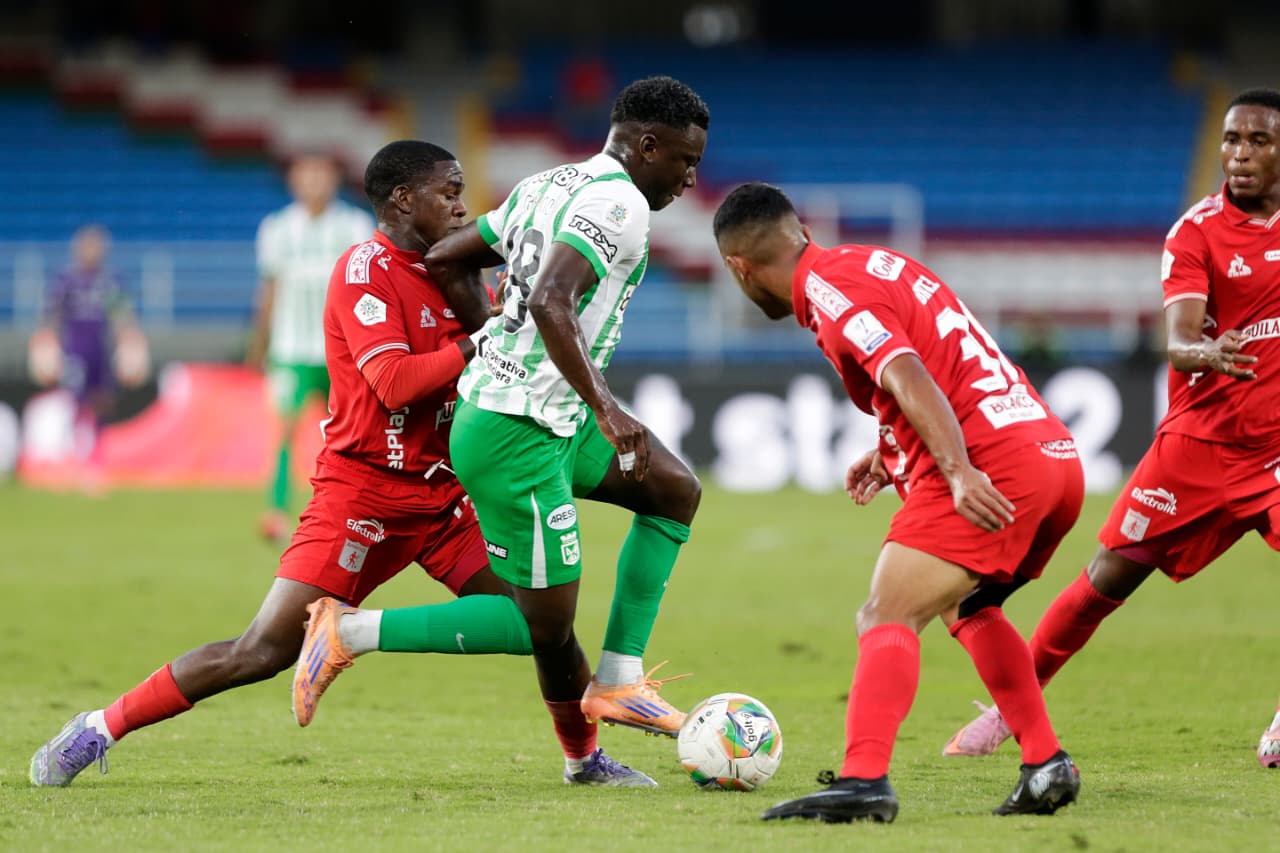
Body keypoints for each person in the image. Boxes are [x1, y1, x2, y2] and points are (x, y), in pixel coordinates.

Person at [29, 141, 648, 790]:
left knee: (543, 622)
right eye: (449, 192)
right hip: (364, 497)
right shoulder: (364, 270)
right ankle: (99, 726)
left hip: (444, 498)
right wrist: (481, 341)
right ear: (403, 200)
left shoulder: (457, 271)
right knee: (262, 650)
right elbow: (394, 383)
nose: (462, 207)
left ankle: (585, 760)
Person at [292, 76, 709, 745]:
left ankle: (620, 678)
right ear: (648, 146)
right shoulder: (621, 204)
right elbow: (549, 300)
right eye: (685, 160)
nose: (691, 178)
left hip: (548, 414)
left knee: (673, 491)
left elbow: (445, 257)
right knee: (539, 626)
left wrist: (496, 338)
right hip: (518, 431)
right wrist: (607, 409)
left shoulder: (549, 183)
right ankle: (349, 630)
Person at [712, 183, 1085, 823]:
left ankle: (863, 780)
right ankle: (1045, 762)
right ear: (802, 232)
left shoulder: (830, 292)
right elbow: (944, 361)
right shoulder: (871, 263)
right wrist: (893, 453)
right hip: (1050, 455)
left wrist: (957, 469)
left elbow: (908, 371)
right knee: (968, 607)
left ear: (739, 268)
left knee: (886, 613)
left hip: (991, 464)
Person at [942, 87, 1280, 770]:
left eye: (1258, 141)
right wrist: (1204, 352)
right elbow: (1179, 337)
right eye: (1231, 139)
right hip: (1197, 448)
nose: (1239, 154)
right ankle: (1013, 710)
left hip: (1273, 451)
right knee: (1106, 580)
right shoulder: (1196, 232)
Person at [248, 152, 374, 543]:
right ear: (294, 181)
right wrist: (259, 344)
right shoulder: (277, 229)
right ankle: (276, 512)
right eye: (307, 175)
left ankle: (356, 511)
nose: (314, 182)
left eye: (321, 174)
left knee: (352, 434)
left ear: (334, 180)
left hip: (342, 354)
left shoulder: (355, 225)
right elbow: (269, 289)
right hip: (290, 351)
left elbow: (368, 289)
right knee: (285, 430)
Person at [30, 224, 147, 470]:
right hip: (75, 349)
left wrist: (131, 343)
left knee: (103, 401)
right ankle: (77, 454)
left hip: (101, 348)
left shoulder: (111, 280)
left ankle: (97, 456)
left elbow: (122, 317)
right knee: (76, 400)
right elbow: (51, 316)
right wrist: (45, 344)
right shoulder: (66, 280)